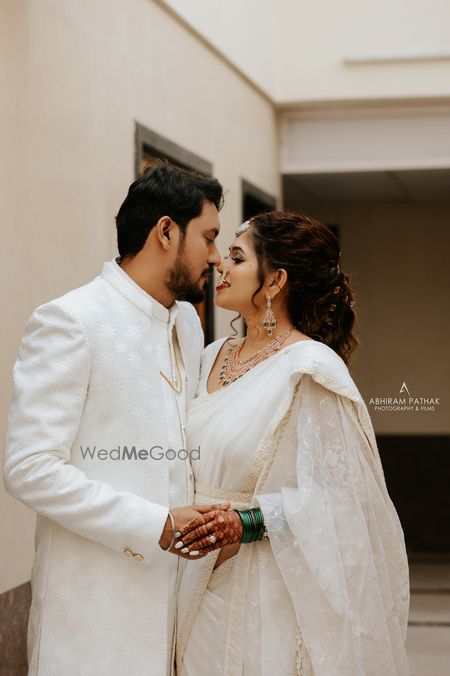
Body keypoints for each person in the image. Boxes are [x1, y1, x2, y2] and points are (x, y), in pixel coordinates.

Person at [3, 163, 230, 676]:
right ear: (166, 231)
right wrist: (156, 525)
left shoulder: (186, 324)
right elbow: (28, 468)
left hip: (176, 619)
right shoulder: (71, 320)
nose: (216, 257)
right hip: (93, 622)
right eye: (209, 237)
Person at [174, 211, 411, 675]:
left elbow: (344, 501)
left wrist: (247, 522)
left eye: (238, 257)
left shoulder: (310, 368)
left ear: (276, 280)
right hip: (189, 574)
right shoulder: (210, 357)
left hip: (261, 589)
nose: (221, 265)